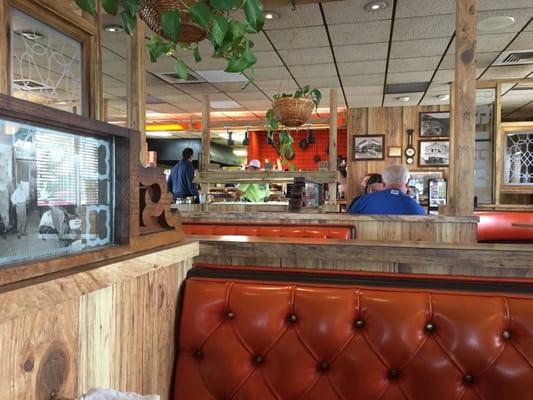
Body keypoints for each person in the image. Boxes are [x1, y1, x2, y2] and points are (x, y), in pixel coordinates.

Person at [348, 165, 425, 215]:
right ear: (407, 184)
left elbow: (349, 220)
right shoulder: (414, 206)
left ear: (384, 183)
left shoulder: (363, 200)